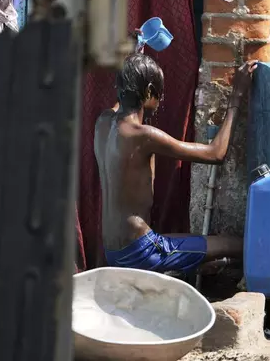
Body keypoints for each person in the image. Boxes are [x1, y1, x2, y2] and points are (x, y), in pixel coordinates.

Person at [94, 53, 258, 273]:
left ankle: (209, 268)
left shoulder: (103, 122)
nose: (160, 101)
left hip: (114, 252)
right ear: (149, 91)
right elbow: (215, 153)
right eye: (158, 95)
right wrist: (237, 94)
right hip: (142, 252)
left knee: (204, 256)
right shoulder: (144, 136)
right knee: (233, 244)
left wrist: (134, 60)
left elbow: (123, 100)